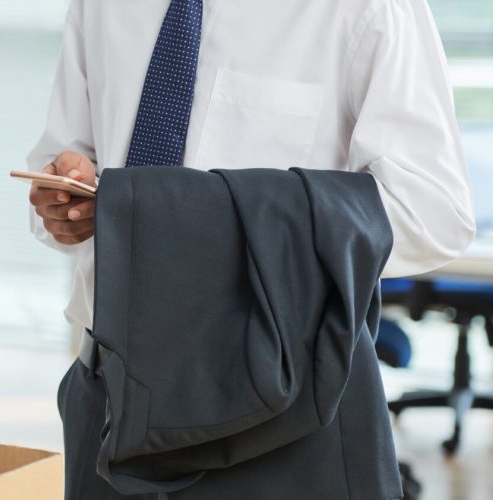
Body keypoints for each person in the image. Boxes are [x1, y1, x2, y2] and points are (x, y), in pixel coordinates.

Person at [27, 0, 474, 498]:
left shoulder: (367, 8)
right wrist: (64, 201)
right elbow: (63, 160)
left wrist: (188, 214)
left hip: (281, 408)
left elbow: (434, 213)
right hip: (105, 394)